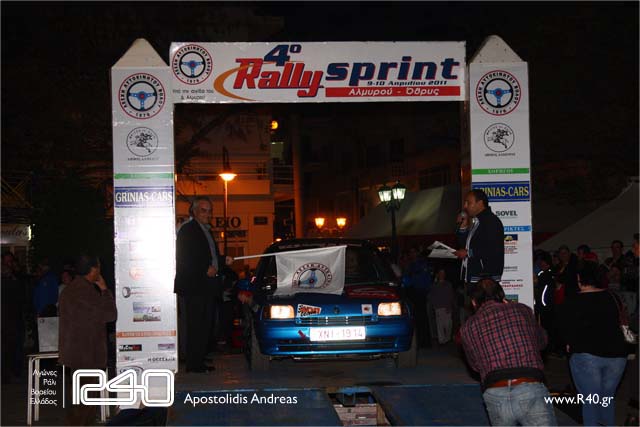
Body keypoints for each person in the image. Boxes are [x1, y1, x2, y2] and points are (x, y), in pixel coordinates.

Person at [460, 278, 556, 426]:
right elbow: (543, 341)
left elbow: (475, 366)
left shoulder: (467, 327)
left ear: (474, 302)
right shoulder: (522, 310)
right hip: (529, 385)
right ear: (502, 295)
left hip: (495, 391)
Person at [561, 262, 628, 427]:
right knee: (606, 399)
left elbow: (565, 328)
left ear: (579, 279)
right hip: (617, 356)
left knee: (591, 402)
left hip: (587, 355)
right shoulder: (613, 297)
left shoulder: (573, 300)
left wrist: (569, 343)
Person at [58, 255, 117, 426]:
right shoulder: (86, 292)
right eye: (98, 267)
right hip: (87, 355)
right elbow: (110, 315)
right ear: (93, 269)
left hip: (77, 354)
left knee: (82, 402)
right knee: (84, 404)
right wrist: (105, 290)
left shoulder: (70, 289)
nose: (100, 270)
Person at [174, 197, 231, 373]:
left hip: (205, 286)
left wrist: (223, 260)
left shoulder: (205, 230)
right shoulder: (188, 229)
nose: (208, 214)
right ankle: (194, 363)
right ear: (194, 211)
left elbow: (210, 257)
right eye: (204, 210)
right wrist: (204, 269)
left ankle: (198, 357)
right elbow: (184, 257)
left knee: (205, 324)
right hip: (194, 286)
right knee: (196, 324)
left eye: (210, 210)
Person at [454, 189, 505, 284]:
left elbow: (492, 249)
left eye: (468, 203)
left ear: (480, 203)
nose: (465, 206)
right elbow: (465, 245)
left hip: (485, 279)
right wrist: (463, 226)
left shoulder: (491, 221)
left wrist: (468, 253)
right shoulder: (477, 221)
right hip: (475, 276)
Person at [1, 252, 26, 382]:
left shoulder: (16, 279)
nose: (8, 264)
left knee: (11, 348)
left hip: (13, 320)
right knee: (8, 348)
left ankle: (10, 373)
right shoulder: (12, 282)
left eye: (10, 262)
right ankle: (8, 374)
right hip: (8, 321)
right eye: (6, 262)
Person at [402, 246, 433, 347]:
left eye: (413, 252)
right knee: (416, 318)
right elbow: (406, 280)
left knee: (422, 317)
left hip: (421, 293)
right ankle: (419, 342)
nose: (412, 254)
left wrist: (426, 291)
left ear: (417, 253)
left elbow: (426, 279)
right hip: (412, 293)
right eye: (410, 252)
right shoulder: (410, 265)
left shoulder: (422, 264)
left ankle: (425, 342)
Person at [429, 268, 455, 344]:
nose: (442, 275)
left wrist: (450, 306)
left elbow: (451, 296)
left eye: (443, 273)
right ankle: (441, 341)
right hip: (438, 307)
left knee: (448, 324)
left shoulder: (448, 284)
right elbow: (431, 296)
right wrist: (434, 305)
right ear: (438, 274)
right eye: (440, 273)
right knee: (439, 325)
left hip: (447, 307)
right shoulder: (434, 285)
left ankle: (447, 339)